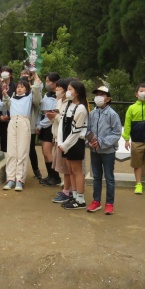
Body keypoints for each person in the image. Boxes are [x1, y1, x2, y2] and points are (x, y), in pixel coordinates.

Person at [0, 74, 42, 191]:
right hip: (12, 122)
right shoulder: (12, 98)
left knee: (22, 152)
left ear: (26, 89)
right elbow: (6, 105)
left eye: (22, 87)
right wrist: (5, 95)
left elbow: (37, 97)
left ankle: (19, 180)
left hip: (24, 122)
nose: (19, 89)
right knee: (11, 152)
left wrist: (36, 83)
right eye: (18, 87)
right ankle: (10, 179)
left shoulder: (29, 98)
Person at [86, 86, 122, 215]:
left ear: (108, 99)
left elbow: (117, 133)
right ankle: (96, 201)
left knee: (109, 177)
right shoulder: (92, 113)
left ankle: (109, 203)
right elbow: (87, 130)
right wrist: (90, 142)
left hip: (108, 152)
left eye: (102, 95)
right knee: (96, 177)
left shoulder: (112, 114)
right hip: (94, 151)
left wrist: (101, 142)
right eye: (97, 94)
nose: (98, 97)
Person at [122, 83, 145, 195]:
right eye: (141, 91)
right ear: (136, 94)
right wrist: (126, 139)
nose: (144, 93)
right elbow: (127, 124)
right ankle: (138, 184)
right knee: (137, 164)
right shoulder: (131, 108)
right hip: (136, 141)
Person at [57, 80, 89, 210]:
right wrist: (60, 142)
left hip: (75, 143)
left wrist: (65, 145)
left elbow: (76, 131)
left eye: (70, 89)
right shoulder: (67, 105)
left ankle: (80, 199)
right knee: (70, 170)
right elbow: (61, 125)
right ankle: (74, 196)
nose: (67, 92)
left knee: (77, 171)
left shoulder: (81, 108)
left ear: (77, 92)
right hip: (66, 143)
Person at [50, 78, 74, 204]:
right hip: (58, 137)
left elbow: (66, 122)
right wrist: (52, 117)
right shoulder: (59, 101)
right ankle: (68, 189)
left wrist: (56, 116)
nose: (57, 90)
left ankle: (67, 191)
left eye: (59, 88)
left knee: (67, 168)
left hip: (66, 139)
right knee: (63, 167)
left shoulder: (70, 103)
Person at [38, 72, 62, 186]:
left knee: (48, 151)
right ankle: (50, 175)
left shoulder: (58, 96)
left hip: (50, 126)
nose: (46, 83)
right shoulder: (47, 94)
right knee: (44, 151)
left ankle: (55, 177)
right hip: (43, 125)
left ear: (55, 82)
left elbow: (52, 114)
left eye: (48, 81)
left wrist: (40, 124)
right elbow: (43, 111)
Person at [0, 66, 16, 152]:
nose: (4, 73)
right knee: (3, 140)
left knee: (12, 140)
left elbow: (15, 102)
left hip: (12, 117)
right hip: (1, 118)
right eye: (2, 71)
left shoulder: (15, 86)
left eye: (6, 71)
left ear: (10, 74)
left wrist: (9, 114)